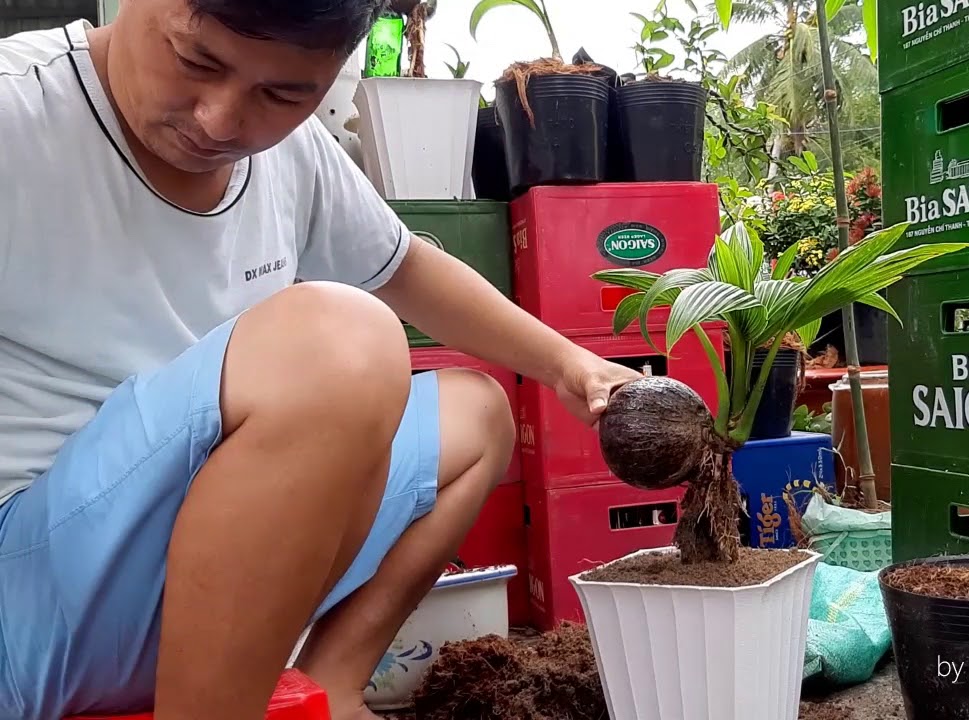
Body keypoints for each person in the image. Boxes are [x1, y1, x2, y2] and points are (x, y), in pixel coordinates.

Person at [0, 1, 642, 719]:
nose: (220, 119)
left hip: (205, 581)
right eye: (196, 60)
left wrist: (570, 367)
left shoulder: (289, 157)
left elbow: (407, 269)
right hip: (32, 599)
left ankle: (329, 687)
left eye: (283, 94)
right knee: (339, 343)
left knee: (477, 413)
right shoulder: (18, 112)